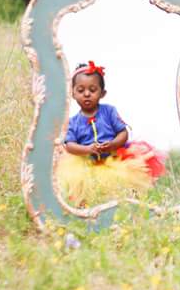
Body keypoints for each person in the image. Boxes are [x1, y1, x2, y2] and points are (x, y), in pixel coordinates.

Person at [58, 61, 166, 207]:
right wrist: (88, 149)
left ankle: (128, 207)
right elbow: (70, 145)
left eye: (93, 89)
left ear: (102, 93)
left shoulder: (109, 111)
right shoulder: (73, 122)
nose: (87, 94)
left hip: (115, 158)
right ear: (73, 94)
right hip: (86, 164)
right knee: (84, 192)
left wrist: (113, 144)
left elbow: (123, 132)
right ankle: (87, 213)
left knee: (124, 187)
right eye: (81, 90)